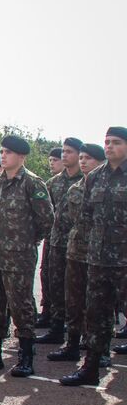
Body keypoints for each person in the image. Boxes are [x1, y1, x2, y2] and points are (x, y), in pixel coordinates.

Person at [0, 135, 53, 377]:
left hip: (19, 257)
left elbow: (47, 220)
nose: (3, 155)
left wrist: (27, 242)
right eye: (2, 151)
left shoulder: (33, 184)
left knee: (21, 306)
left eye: (8, 152)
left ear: (22, 156)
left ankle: (26, 355)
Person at [62, 127, 127, 386]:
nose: (110, 147)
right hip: (99, 260)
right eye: (107, 142)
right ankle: (90, 369)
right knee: (96, 316)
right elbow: (86, 215)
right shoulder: (95, 177)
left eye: (116, 142)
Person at [48, 143, 104, 365]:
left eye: (88, 158)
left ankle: (100, 350)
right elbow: (69, 220)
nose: (83, 161)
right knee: (73, 299)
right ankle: (71, 344)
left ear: (100, 162)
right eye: (81, 157)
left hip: (102, 254)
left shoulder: (109, 186)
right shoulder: (74, 189)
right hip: (73, 250)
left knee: (98, 304)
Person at [37, 138, 85, 345]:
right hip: (56, 242)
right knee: (54, 285)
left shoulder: (88, 180)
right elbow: (45, 212)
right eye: (63, 152)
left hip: (82, 246)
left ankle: (83, 334)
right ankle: (56, 329)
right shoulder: (54, 183)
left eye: (70, 152)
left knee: (79, 291)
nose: (65, 155)